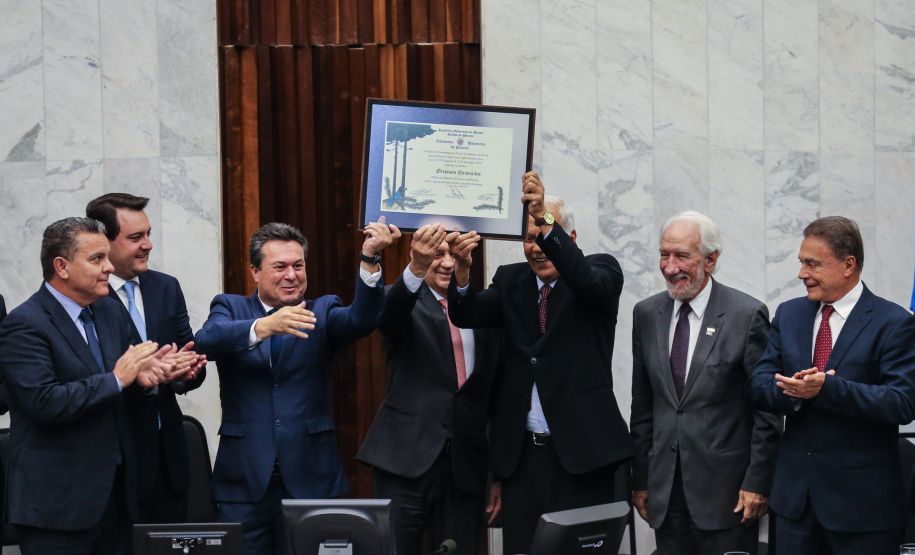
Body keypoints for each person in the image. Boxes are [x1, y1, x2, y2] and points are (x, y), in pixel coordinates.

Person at [446, 172, 637, 555]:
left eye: (546, 236)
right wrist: (463, 271)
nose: (537, 248)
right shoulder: (510, 279)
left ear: (570, 239)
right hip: (522, 463)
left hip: (583, 458)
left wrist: (544, 218)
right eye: (529, 239)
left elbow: (586, 280)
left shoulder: (600, 271)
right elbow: (468, 313)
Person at [194, 219, 399, 554]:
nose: (291, 274)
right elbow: (206, 341)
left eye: (298, 266)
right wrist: (264, 326)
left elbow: (362, 318)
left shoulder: (321, 310)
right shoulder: (230, 307)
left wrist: (370, 259)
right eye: (279, 266)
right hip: (244, 482)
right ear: (255, 272)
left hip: (311, 475)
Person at [0, 217, 179, 554]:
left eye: (108, 257)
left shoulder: (110, 312)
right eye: (97, 259)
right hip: (56, 506)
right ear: (61, 266)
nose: (109, 268)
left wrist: (148, 379)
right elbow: (44, 402)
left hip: (117, 499)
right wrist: (117, 378)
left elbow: (125, 387)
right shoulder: (24, 324)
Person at [746, 216, 915, 554]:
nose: (801, 273)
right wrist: (793, 392)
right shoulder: (789, 314)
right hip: (795, 506)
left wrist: (828, 389)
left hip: (862, 510)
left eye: (813, 264)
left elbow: (903, 402)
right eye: (801, 263)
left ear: (848, 265)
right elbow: (758, 385)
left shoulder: (893, 323)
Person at [629, 211, 781, 555]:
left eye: (681, 256)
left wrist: (757, 483)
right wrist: (640, 480)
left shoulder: (746, 314)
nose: (669, 267)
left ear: (710, 259)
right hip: (665, 494)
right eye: (664, 255)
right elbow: (643, 406)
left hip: (728, 497)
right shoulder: (646, 314)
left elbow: (767, 411)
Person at [356, 224, 501, 555]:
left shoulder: (483, 310)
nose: (447, 263)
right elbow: (387, 315)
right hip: (406, 461)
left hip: (465, 468)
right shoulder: (403, 301)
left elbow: (490, 394)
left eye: (454, 254)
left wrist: (497, 473)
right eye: (438, 254)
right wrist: (416, 268)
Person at [87, 193, 206, 524]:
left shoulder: (166, 288)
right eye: (136, 237)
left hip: (168, 459)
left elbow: (188, 357)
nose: (148, 245)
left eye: (149, 234)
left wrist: (183, 372)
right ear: (104, 242)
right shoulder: (87, 298)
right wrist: (141, 375)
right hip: (115, 459)